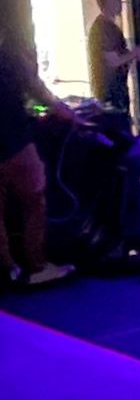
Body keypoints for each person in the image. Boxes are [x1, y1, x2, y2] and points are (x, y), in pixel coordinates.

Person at [1, 31, 77, 286]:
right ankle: (37, 267)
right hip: (14, 141)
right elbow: (38, 92)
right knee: (34, 201)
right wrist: (66, 112)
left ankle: (8, 269)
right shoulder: (9, 57)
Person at [87, 0, 140, 111]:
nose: (121, 3)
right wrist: (135, 53)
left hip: (116, 92)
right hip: (111, 94)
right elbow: (113, 61)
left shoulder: (109, 27)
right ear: (108, 2)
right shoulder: (104, 29)